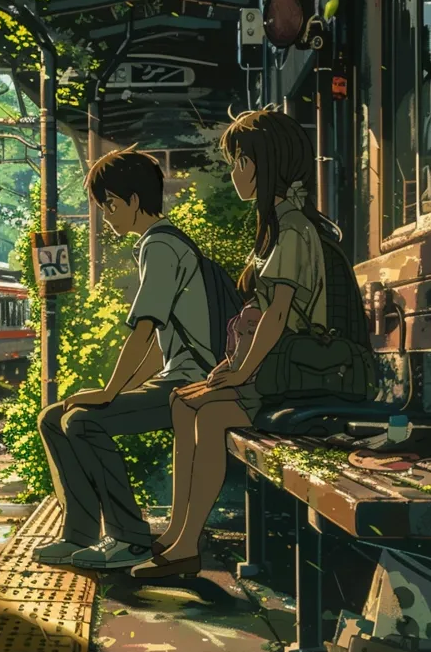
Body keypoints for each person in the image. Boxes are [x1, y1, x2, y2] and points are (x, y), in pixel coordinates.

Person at [131, 107, 337, 579]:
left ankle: (186, 543)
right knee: (184, 401)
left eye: (241, 161)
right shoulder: (279, 226)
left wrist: (241, 372)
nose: (234, 172)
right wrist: (232, 367)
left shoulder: (293, 229)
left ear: (267, 164)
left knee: (207, 413)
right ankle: (179, 531)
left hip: (297, 376)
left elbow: (278, 314)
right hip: (276, 369)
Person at [35, 146, 218, 570]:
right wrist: (122, 392)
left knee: (83, 420)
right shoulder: (160, 245)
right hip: (175, 377)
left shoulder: (161, 246)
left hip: (193, 384)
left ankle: (128, 539)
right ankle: (79, 534)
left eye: (111, 204)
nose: (106, 215)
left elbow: (144, 329)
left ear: (134, 201)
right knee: (53, 417)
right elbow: (160, 344)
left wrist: (110, 393)